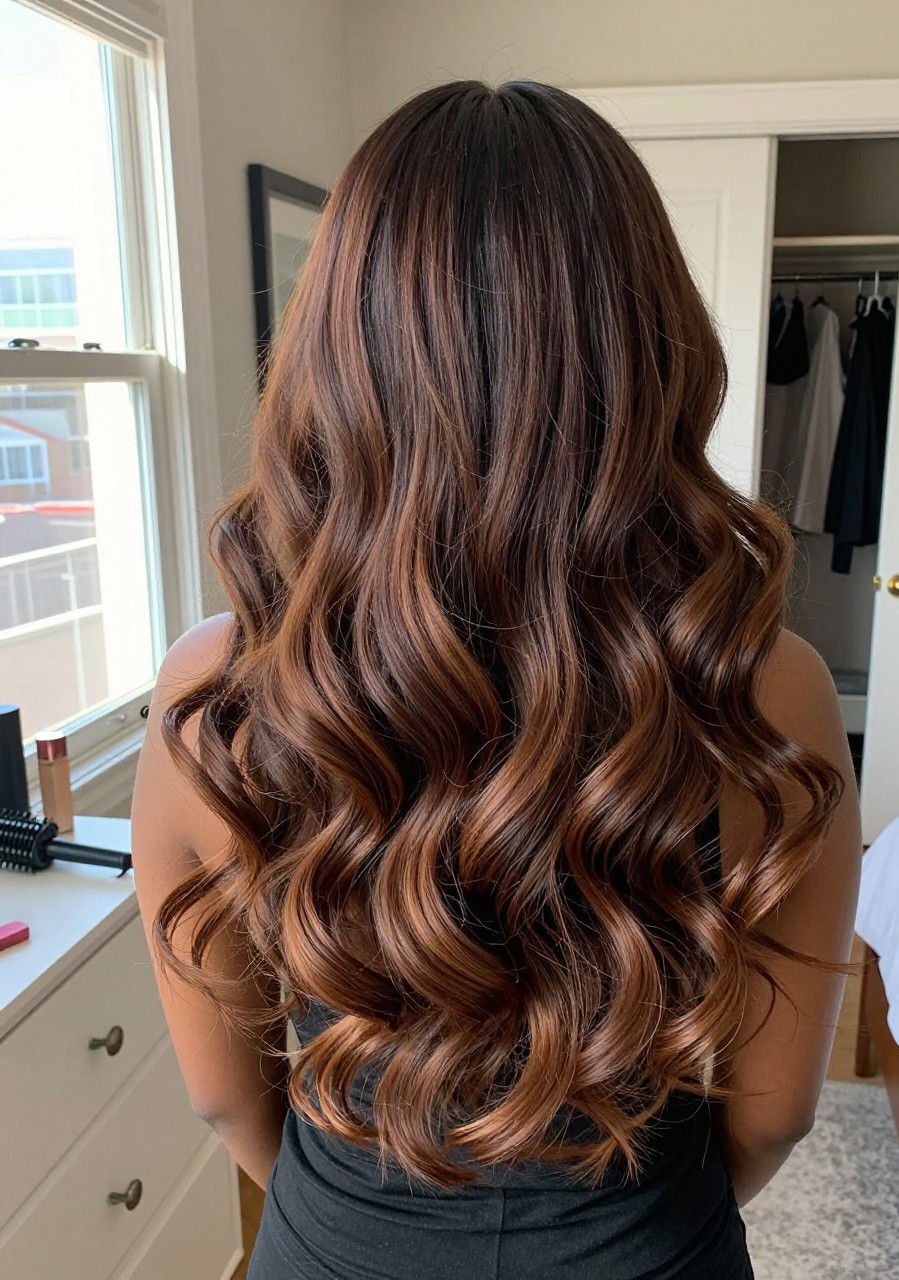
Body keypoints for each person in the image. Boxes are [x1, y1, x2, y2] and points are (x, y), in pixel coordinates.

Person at [131, 79, 862, 1280]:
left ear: (334, 355)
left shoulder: (213, 693)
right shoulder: (762, 684)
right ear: (651, 349)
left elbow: (227, 1099)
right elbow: (774, 1114)